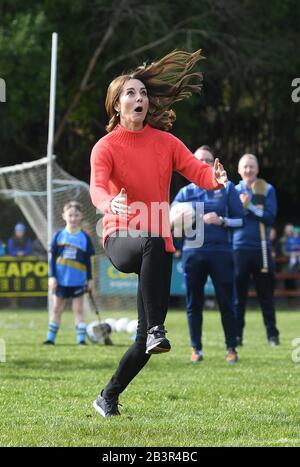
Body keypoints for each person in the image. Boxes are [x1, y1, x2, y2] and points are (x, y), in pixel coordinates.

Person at [90, 50, 228, 417]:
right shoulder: (105, 147)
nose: (139, 98)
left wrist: (215, 179)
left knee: (144, 343)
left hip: (157, 243)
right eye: (130, 94)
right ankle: (156, 329)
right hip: (120, 235)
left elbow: (198, 172)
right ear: (117, 105)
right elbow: (98, 188)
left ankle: (107, 397)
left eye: (143, 93)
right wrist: (109, 205)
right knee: (155, 323)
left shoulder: (165, 142)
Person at [172, 145, 244, 364]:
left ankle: (231, 348)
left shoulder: (227, 187)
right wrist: (187, 217)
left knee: (226, 302)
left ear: (215, 162)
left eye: (207, 159)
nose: (203, 163)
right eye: (199, 159)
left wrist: (221, 221)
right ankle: (196, 349)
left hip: (221, 253)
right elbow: (170, 219)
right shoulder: (186, 192)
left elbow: (240, 220)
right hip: (192, 254)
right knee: (194, 303)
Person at [232, 154, 280, 346]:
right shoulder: (233, 191)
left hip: (261, 249)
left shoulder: (267, 189)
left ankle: (272, 336)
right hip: (238, 249)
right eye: (245, 167)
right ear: (238, 170)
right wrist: (244, 208)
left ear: (257, 169)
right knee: (238, 298)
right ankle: (236, 337)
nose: (248, 170)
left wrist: (249, 205)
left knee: (266, 296)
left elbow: (269, 218)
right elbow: (233, 218)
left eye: (252, 167)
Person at [44, 201, 95, 345]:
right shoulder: (59, 235)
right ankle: (50, 339)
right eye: (70, 215)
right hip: (60, 280)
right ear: (63, 216)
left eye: (76, 215)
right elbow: (52, 258)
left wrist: (89, 279)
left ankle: (81, 340)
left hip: (78, 280)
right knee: (56, 308)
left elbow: (88, 261)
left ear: (81, 217)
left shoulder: (84, 237)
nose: (73, 218)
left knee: (78, 310)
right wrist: (52, 276)